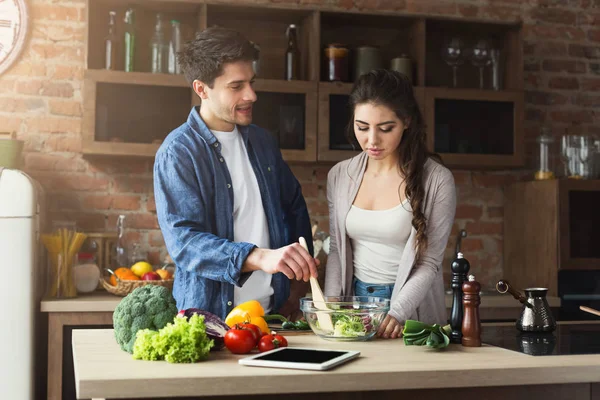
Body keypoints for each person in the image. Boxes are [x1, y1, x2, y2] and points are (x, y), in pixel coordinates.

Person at [153, 27, 318, 321]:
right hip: (210, 320)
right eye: (236, 86)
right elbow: (186, 243)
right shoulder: (177, 152)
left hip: (273, 316)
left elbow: (295, 208)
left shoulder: (264, 142)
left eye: (251, 83)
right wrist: (259, 257)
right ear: (201, 88)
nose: (251, 95)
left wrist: (297, 286)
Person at [324, 69, 456, 339]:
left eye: (385, 128)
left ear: (406, 121)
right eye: (362, 127)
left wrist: (397, 311)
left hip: (409, 310)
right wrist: (331, 307)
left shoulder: (437, 180)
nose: (372, 140)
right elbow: (337, 249)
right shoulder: (339, 175)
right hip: (354, 306)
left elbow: (429, 262)